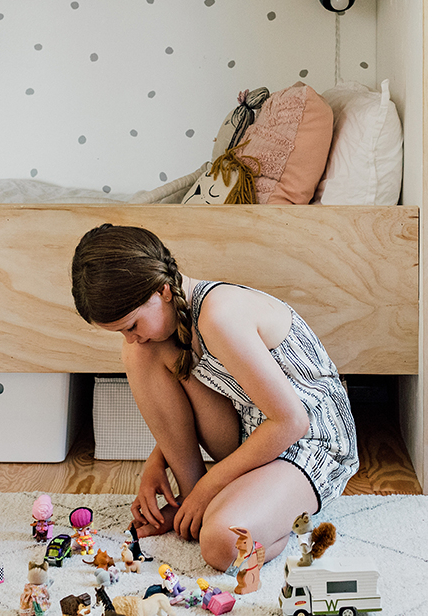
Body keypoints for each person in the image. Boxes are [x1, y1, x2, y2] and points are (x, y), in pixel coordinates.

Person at [71, 224, 358, 572]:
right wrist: (156, 461)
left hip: (310, 440)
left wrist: (209, 488)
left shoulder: (220, 316)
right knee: (139, 355)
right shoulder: (173, 320)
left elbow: (292, 421)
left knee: (222, 544)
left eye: (131, 325)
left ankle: (235, 510)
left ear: (161, 291)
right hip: (253, 431)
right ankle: (194, 504)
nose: (130, 337)